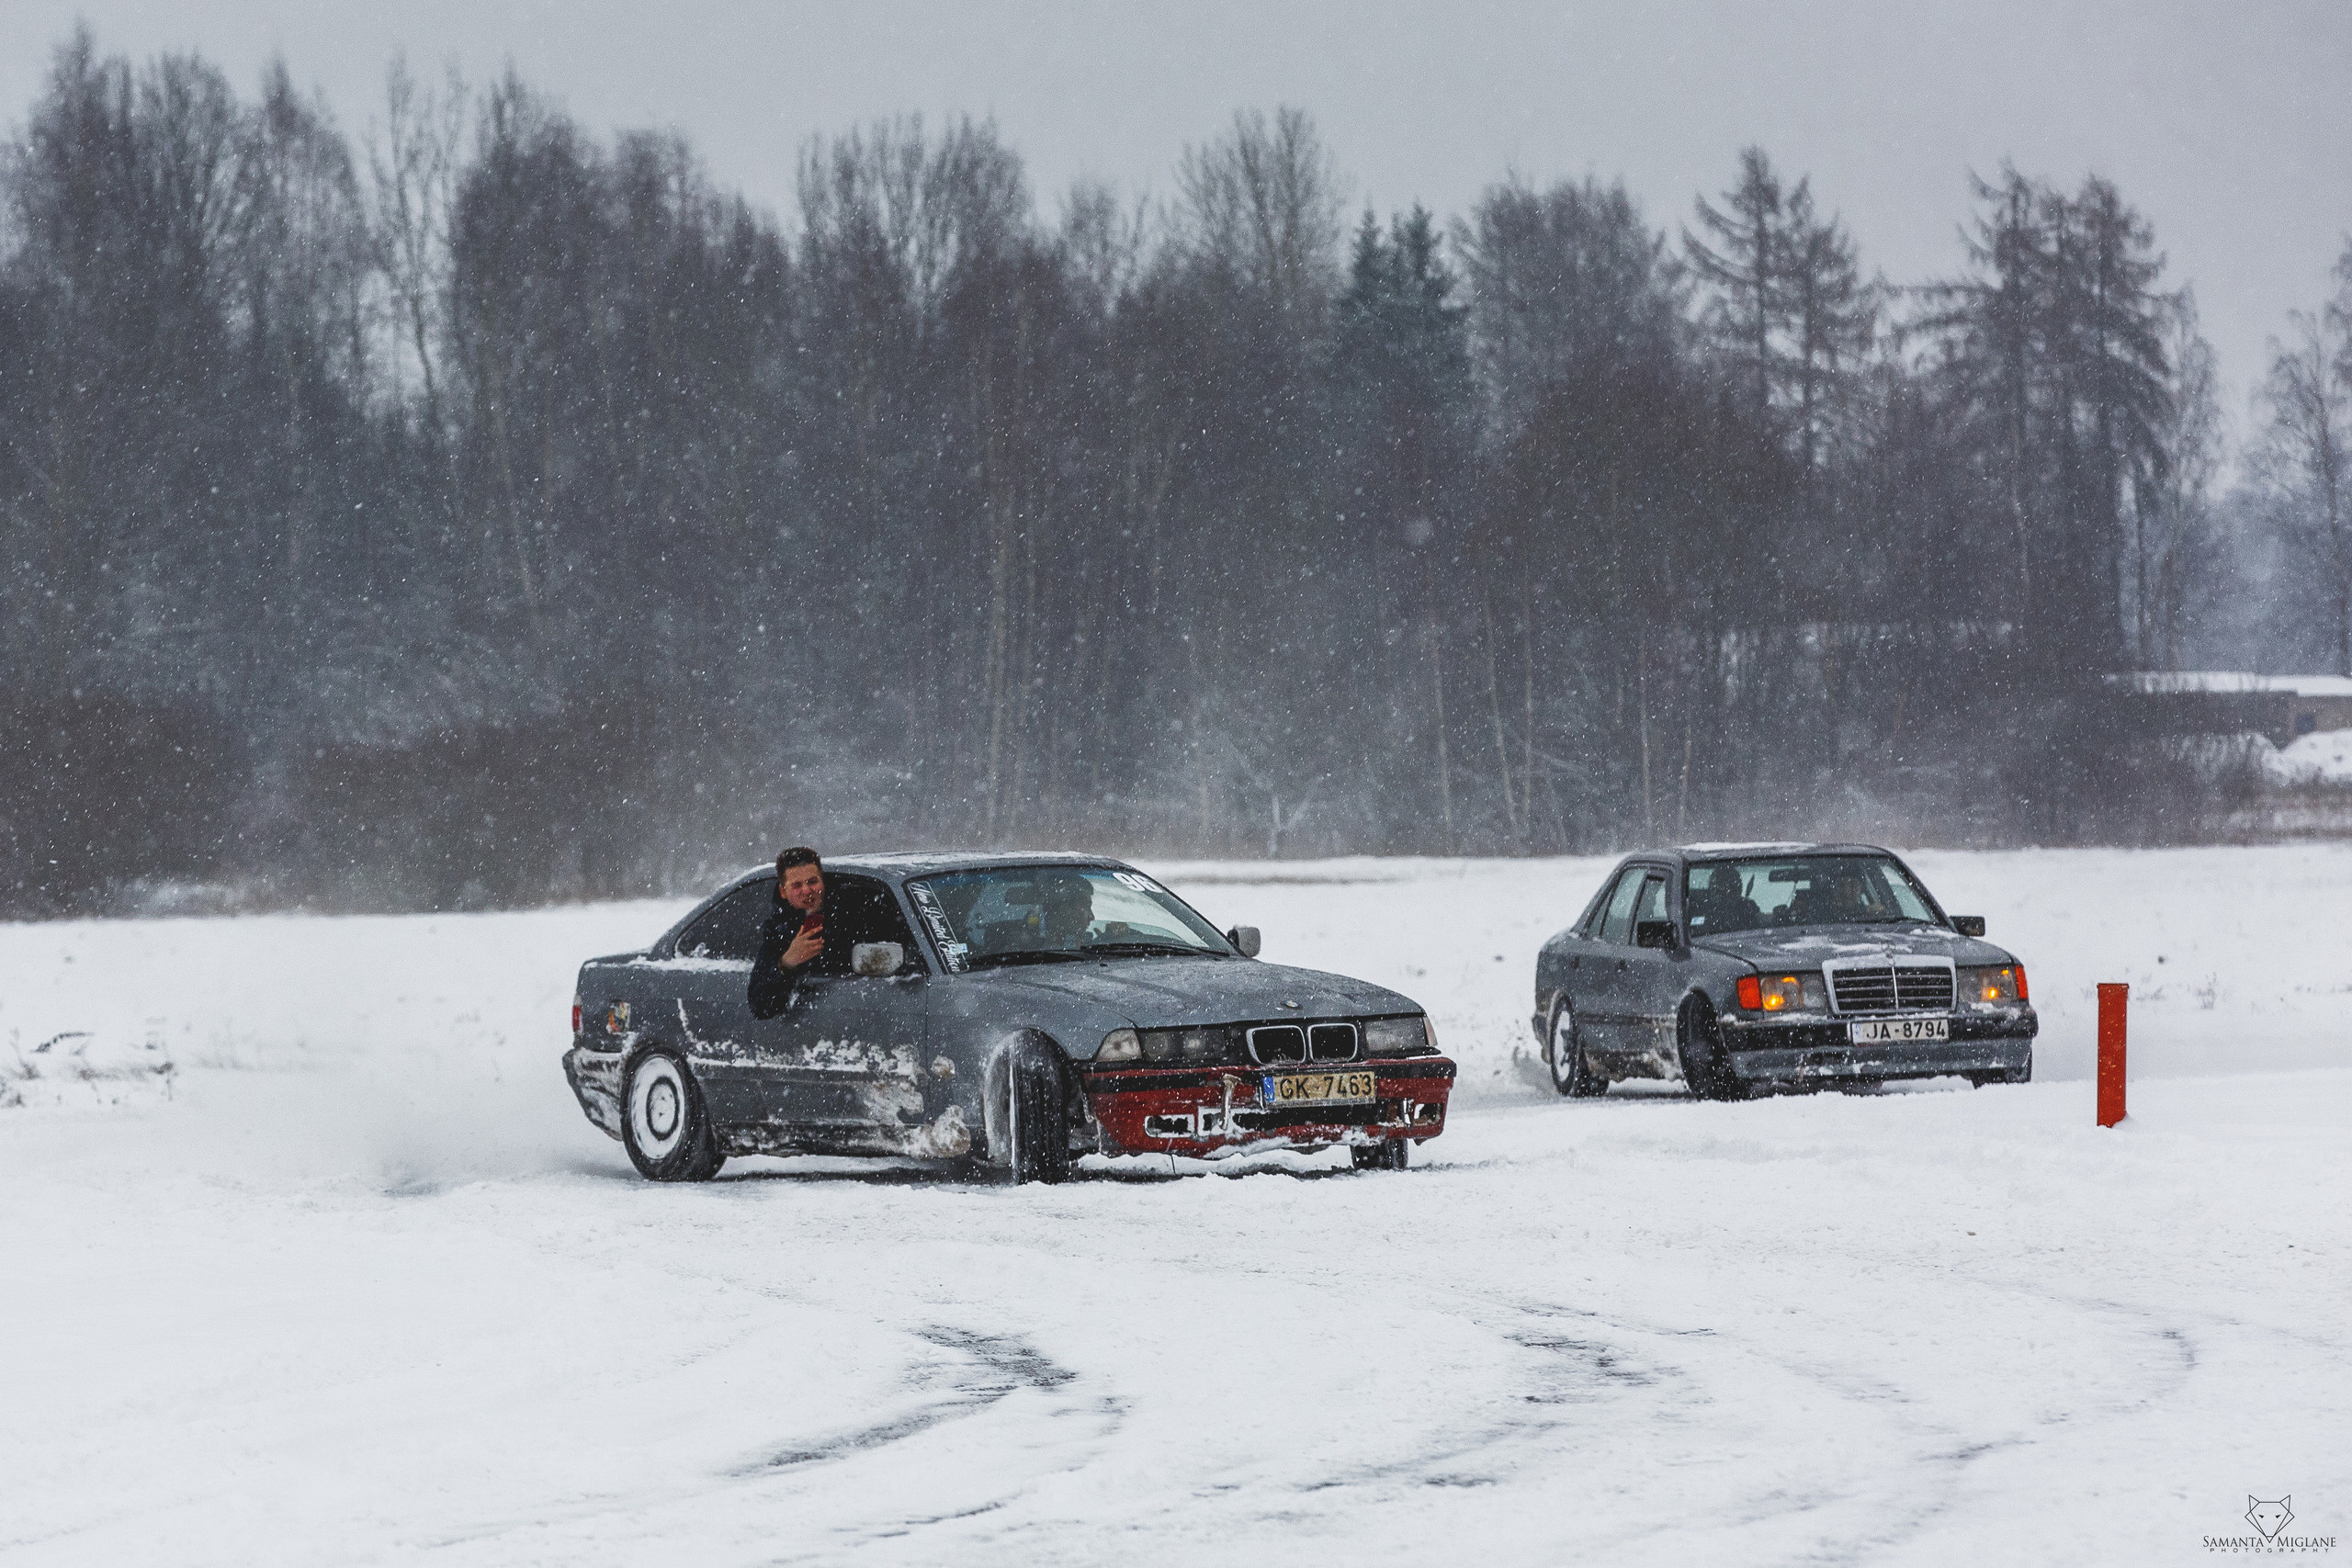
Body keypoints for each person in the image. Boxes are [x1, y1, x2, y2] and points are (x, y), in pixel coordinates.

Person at [749, 846, 846, 1018]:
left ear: (823, 881)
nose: (807, 891)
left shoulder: (853, 911)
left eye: (812, 881)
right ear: (783, 891)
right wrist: (788, 963)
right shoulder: (778, 932)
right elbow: (760, 1006)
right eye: (796, 885)